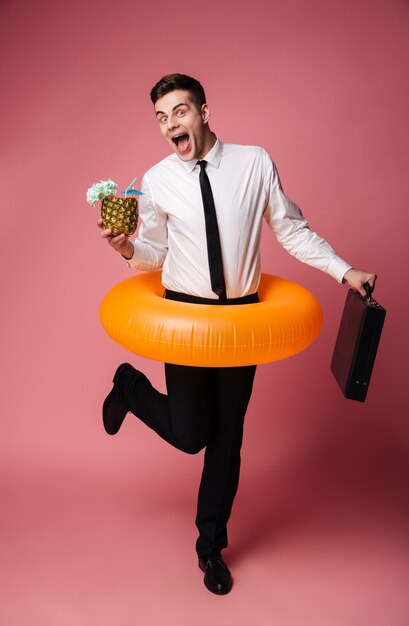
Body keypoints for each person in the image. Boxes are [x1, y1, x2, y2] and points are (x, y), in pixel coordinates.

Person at [98, 73, 376, 595]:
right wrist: (126, 250)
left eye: (178, 112)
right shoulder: (157, 179)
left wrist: (345, 270)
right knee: (190, 434)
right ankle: (128, 387)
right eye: (160, 117)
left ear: (203, 111)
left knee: (227, 440)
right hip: (186, 316)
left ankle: (210, 549)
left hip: (241, 319)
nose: (169, 125)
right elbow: (155, 254)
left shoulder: (255, 163)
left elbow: (291, 228)